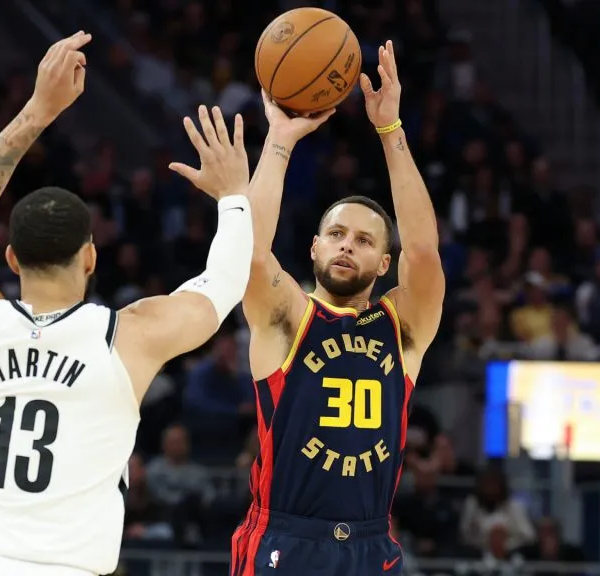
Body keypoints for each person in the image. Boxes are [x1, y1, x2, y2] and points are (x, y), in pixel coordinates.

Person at [0, 31, 254, 576]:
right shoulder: (129, 339)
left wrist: (37, 110)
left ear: (9, 257)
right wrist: (233, 195)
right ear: (92, 256)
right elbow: (223, 284)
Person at [171, 40, 444, 575]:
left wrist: (390, 131)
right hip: (286, 537)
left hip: (370, 544)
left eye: (365, 241)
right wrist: (279, 139)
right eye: (337, 234)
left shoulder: (402, 328)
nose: (348, 245)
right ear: (314, 248)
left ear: (384, 264)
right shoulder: (289, 317)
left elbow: (424, 251)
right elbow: (248, 253)